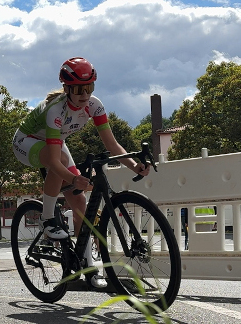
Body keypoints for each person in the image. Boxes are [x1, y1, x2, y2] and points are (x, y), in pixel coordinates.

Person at [12, 57, 149, 289]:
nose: (84, 94)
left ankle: (87, 266)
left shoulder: (95, 105)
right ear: (67, 89)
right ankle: (47, 219)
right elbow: (55, 162)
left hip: (55, 142)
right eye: (78, 89)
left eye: (89, 87)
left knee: (79, 202)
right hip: (27, 142)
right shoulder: (55, 110)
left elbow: (113, 145)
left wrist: (135, 165)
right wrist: (74, 178)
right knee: (64, 164)